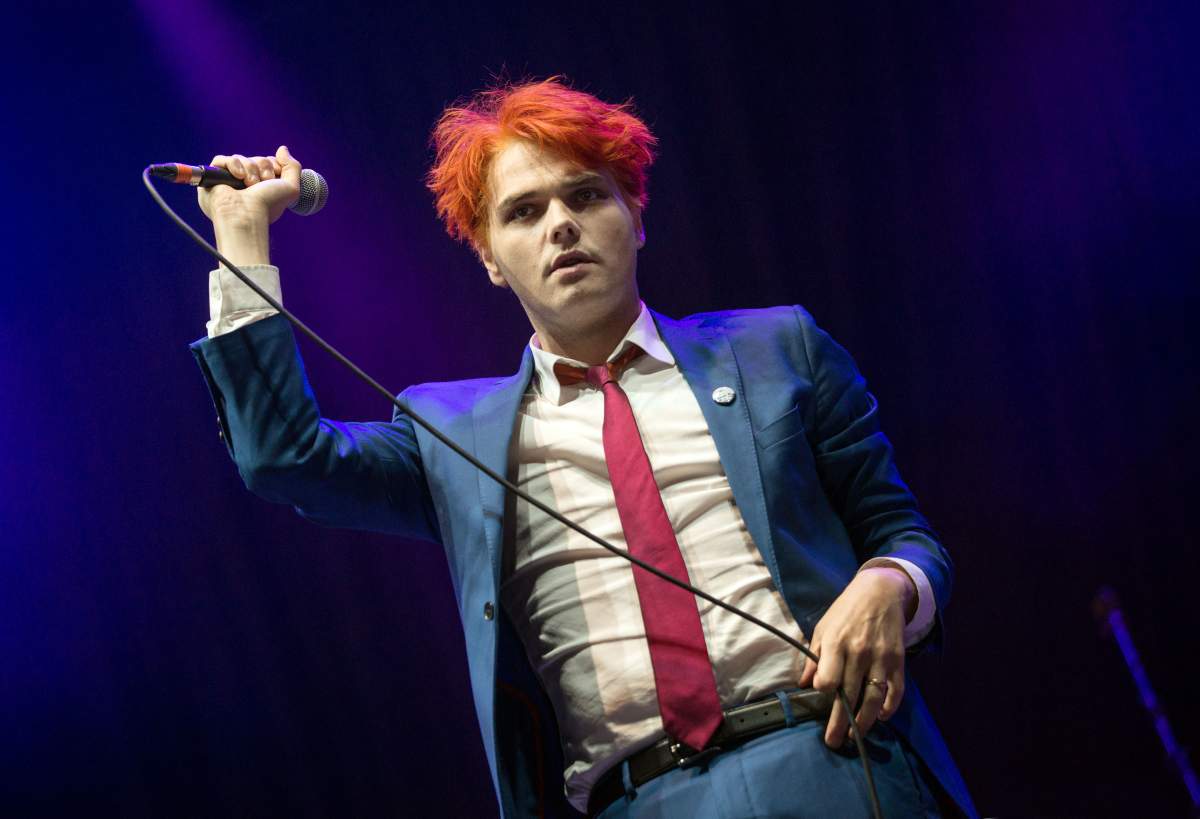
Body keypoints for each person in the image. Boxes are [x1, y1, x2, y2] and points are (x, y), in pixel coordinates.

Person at [189, 78, 977, 818]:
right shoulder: (448, 433)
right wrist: (243, 236)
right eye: (523, 212)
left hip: (830, 757)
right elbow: (283, 458)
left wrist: (888, 584)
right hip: (636, 797)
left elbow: (905, 535)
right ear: (490, 259)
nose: (560, 223)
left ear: (636, 215)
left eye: (586, 195)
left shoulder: (779, 348)